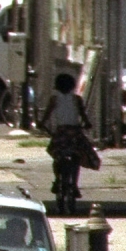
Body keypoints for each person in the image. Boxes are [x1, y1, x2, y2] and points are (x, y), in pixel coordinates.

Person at [40, 72, 94, 216]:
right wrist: (87, 123)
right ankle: (74, 185)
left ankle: (57, 180)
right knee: (77, 156)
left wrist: (41, 124)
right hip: (74, 134)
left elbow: (46, 116)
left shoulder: (54, 99)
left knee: (57, 156)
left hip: (61, 134)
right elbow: (83, 116)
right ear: (73, 86)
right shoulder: (77, 99)